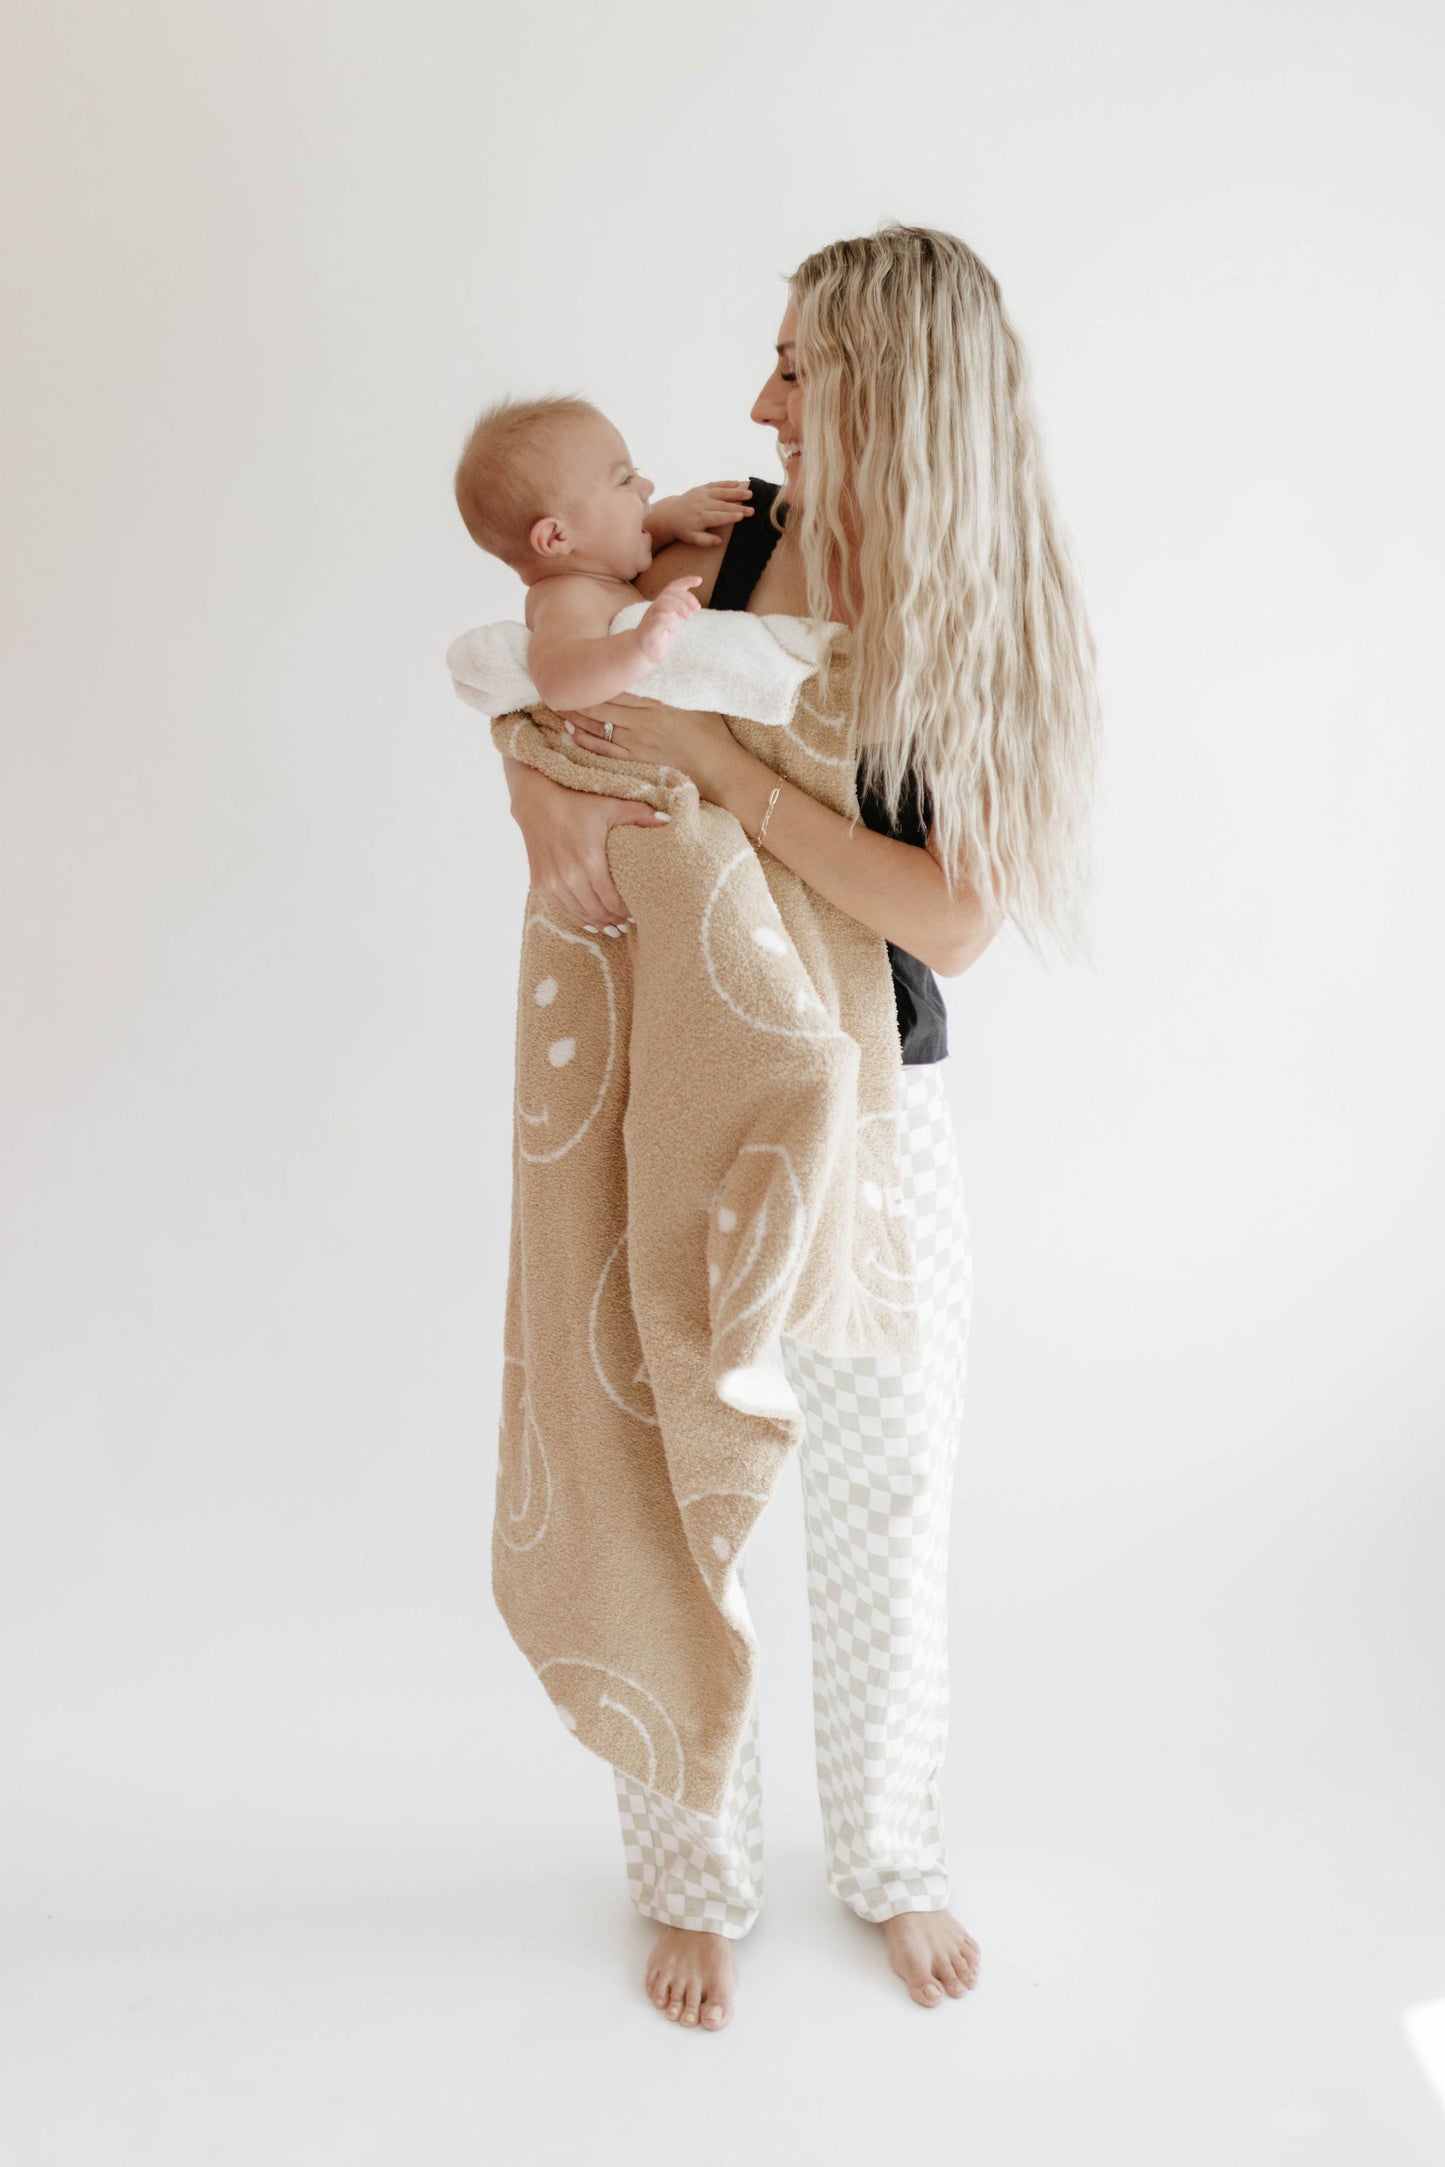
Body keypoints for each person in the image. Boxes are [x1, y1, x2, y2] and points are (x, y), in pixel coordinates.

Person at [497, 225, 1101, 2032]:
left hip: (875, 1103)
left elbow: (950, 920)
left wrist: (732, 771)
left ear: (893, 395)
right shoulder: (719, 545)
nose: (758, 400)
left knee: (885, 1491)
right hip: (684, 1076)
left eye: (798, 369)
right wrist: (538, 788)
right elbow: (544, 669)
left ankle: (892, 1852)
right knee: (683, 1488)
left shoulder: (978, 614)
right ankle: (692, 1871)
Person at [452, 393, 757, 712]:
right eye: (625, 480)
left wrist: (674, 515)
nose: (648, 486)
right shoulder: (567, 599)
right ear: (557, 536)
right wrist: (637, 647)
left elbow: (629, 542)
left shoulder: (595, 571)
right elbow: (558, 683)